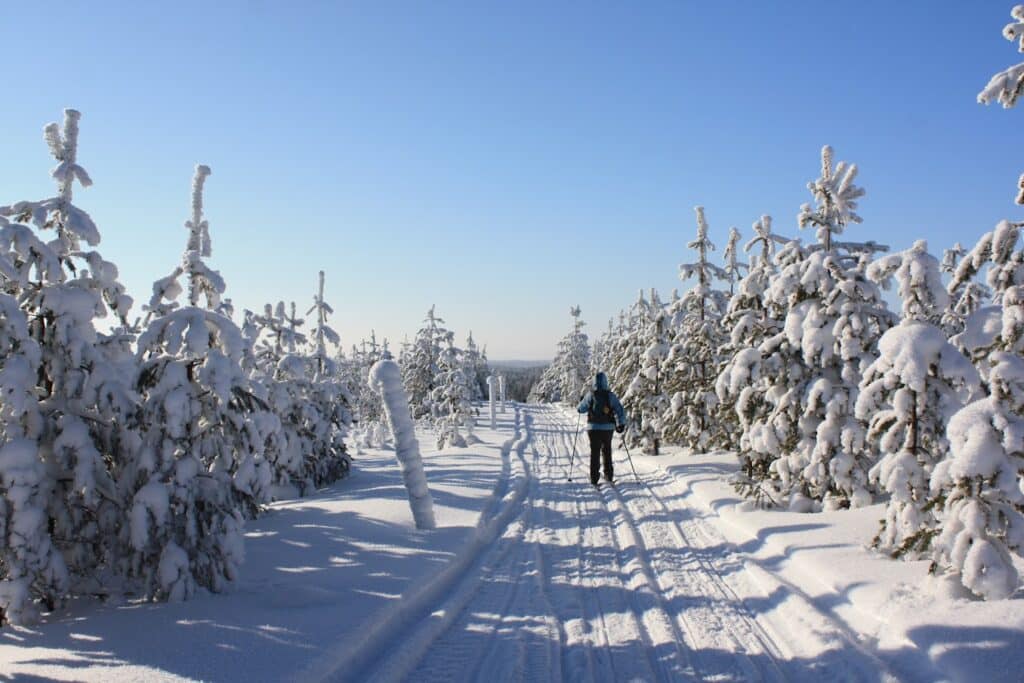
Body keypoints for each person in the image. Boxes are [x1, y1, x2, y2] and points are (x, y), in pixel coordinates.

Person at [577, 372, 627, 486]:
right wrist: (621, 423)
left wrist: (580, 403)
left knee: (595, 453)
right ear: (606, 382)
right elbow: (619, 409)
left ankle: (594, 478)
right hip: (607, 428)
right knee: (607, 451)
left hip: (593, 428)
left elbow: (581, 409)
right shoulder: (610, 395)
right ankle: (608, 475)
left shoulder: (590, 395)